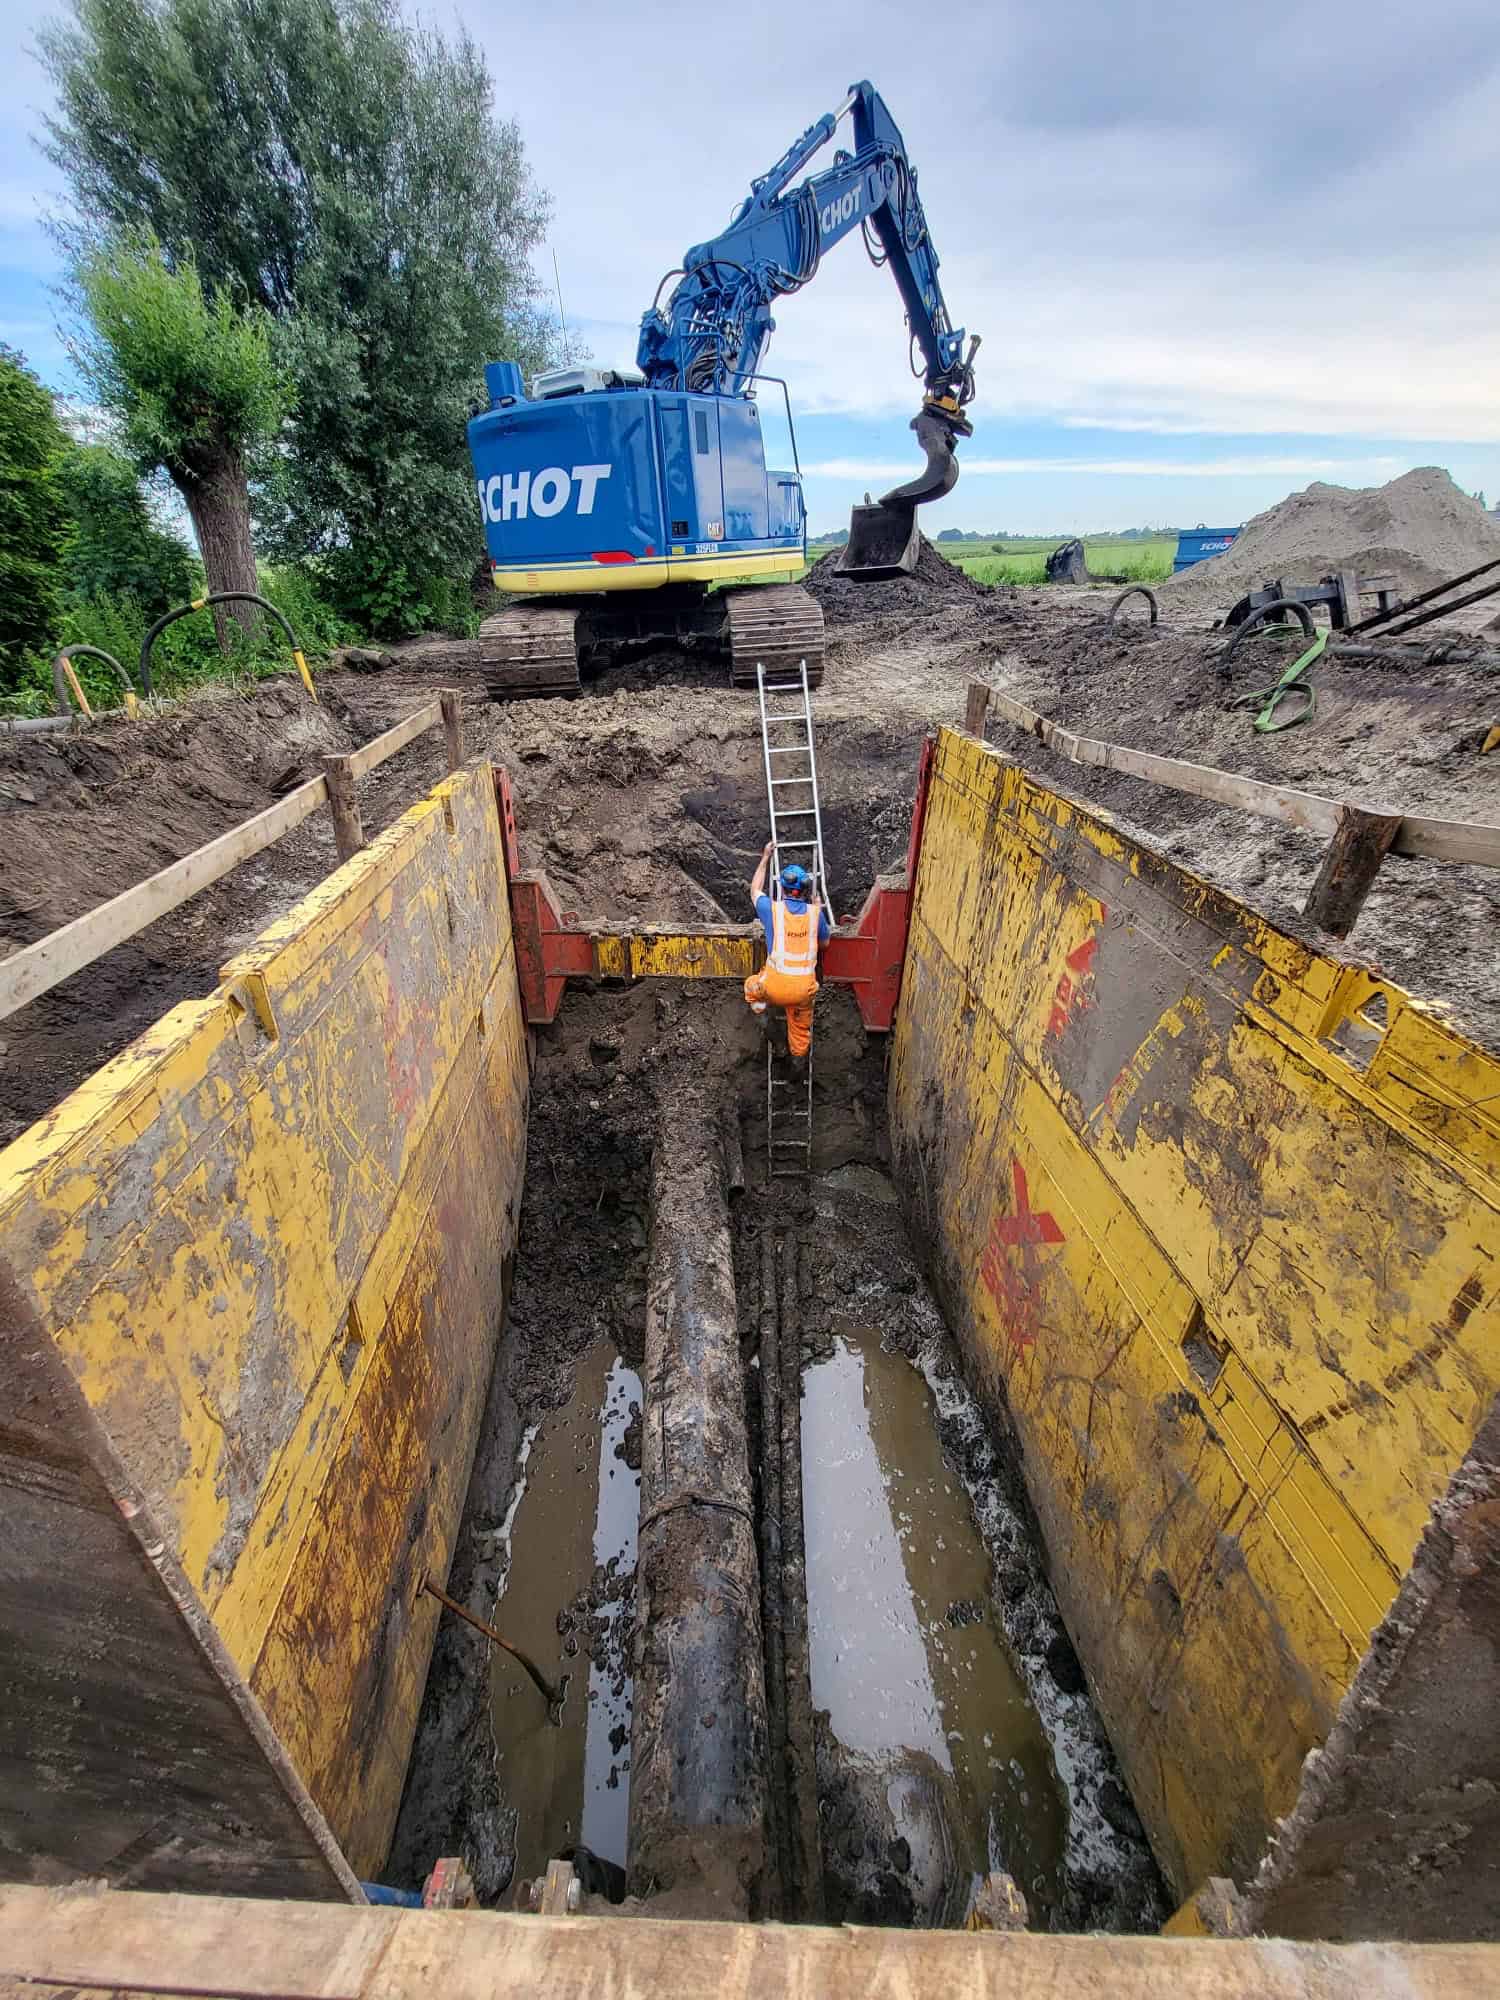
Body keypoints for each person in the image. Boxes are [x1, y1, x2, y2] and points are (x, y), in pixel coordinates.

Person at [743, 842, 831, 1061]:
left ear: (781, 888)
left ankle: (772, 1034)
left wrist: (765, 857)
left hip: (772, 987)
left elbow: (754, 890)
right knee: (800, 1036)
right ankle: (796, 1070)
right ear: (805, 891)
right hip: (803, 991)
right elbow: (825, 944)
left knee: (751, 989)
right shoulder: (815, 914)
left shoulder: (771, 909)